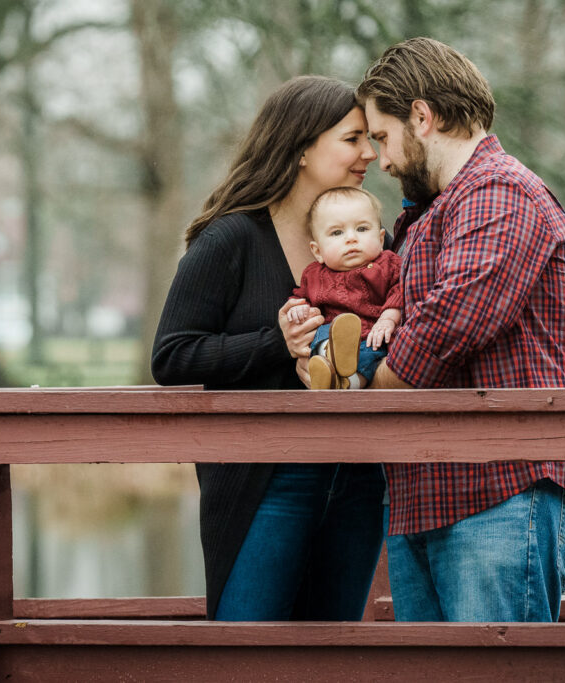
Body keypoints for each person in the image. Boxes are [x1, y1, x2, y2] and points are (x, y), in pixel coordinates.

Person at [355, 37, 565, 622]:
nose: (382, 161)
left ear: (422, 116)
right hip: (427, 495)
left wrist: (364, 391)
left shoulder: (500, 190)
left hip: (503, 488)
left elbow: (453, 321)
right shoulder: (429, 213)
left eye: (383, 137)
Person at [151, 76, 385, 621]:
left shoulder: (367, 238)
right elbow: (172, 356)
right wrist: (275, 343)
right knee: (246, 656)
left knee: (333, 658)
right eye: (352, 139)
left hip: (355, 478)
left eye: (369, 139)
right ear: (303, 147)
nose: (369, 153)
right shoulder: (230, 239)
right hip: (264, 482)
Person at [286, 186, 403, 390]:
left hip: (372, 334)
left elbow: (399, 291)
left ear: (381, 238)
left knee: (372, 354)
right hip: (332, 333)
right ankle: (330, 359)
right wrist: (298, 308)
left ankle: (346, 383)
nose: (351, 238)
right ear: (318, 251)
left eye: (362, 229)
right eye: (337, 232)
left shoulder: (389, 264)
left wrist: (388, 319)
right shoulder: (313, 275)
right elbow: (301, 297)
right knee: (321, 335)